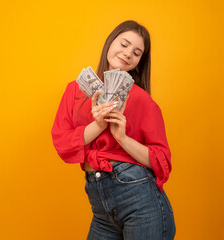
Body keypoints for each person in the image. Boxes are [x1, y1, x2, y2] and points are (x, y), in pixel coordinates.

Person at [51, 20, 176, 239]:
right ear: (110, 43)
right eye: (124, 44)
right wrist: (98, 125)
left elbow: (161, 159)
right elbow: (63, 143)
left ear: (139, 62)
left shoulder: (142, 100)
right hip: (101, 207)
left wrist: (123, 138)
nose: (128, 54)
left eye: (137, 53)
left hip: (140, 200)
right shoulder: (76, 90)